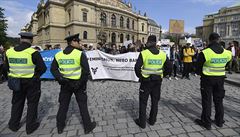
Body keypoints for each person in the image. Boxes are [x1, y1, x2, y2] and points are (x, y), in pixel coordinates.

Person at [50, 33, 96, 134]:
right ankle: (88, 127)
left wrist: (60, 79)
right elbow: (86, 71)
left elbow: (53, 69)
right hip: (78, 84)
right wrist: (79, 83)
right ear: (73, 42)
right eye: (78, 41)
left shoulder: (58, 54)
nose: (80, 43)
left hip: (65, 84)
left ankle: (60, 127)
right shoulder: (79, 54)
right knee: (82, 105)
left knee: (63, 105)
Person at [5, 32, 47, 134]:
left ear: (20, 39)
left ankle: (13, 125)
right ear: (31, 40)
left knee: (17, 103)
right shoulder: (33, 53)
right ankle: (30, 126)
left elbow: (6, 68)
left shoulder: (9, 52)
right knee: (32, 104)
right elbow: (43, 68)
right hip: (31, 82)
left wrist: (13, 76)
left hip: (16, 82)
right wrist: (35, 75)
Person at [195, 32, 232, 130]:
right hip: (220, 79)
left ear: (210, 40)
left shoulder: (205, 52)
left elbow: (198, 68)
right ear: (219, 40)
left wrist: (200, 73)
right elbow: (227, 64)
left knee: (207, 101)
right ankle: (219, 121)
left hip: (207, 79)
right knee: (219, 101)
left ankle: (206, 122)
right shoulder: (227, 53)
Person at [134, 35, 171, 128]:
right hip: (157, 81)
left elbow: (137, 67)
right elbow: (169, 68)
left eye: (147, 42)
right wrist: (162, 75)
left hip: (146, 81)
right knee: (155, 101)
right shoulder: (162, 54)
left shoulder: (144, 53)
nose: (146, 43)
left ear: (150, 42)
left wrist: (141, 77)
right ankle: (152, 120)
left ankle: (142, 123)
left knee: (143, 102)